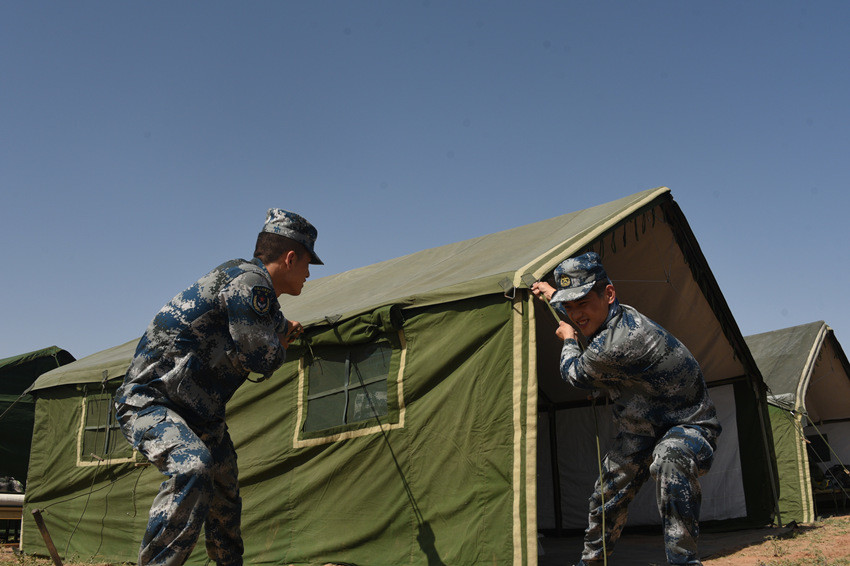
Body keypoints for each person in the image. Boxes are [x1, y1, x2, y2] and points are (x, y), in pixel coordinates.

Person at [115, 208, 322, 566]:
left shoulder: (262, 300)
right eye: (307, 263)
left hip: (200, 414)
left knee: (224, 491)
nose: (308, 273)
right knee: (192, 467)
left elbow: (268, 327)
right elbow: (261, 357)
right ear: (290, 258)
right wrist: (280, 347)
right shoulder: (248, 282)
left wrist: (282, 332)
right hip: (151, 403)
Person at [531, 252, 720, 566]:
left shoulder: (619, 341)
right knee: (605, 495)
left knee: (669, 460)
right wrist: (553, 296)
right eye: (569, 305)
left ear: (608, 294)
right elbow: (580, 309)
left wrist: (567, 338)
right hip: (642, 426)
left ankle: (683, 562)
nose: (576, 315)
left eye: (583, 303)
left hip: (689, 425)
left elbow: (575, 375)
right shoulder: (610, 315)